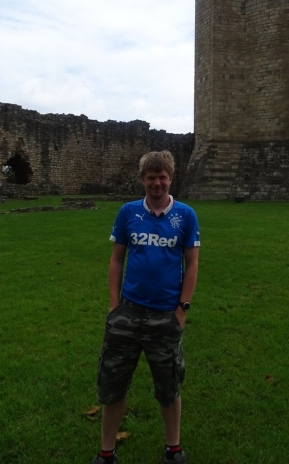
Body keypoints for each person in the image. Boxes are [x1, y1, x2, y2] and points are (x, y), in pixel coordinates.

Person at [92, 150, 200, 464]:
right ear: (143, 180)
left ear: (170, 178)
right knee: (113, 387)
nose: (157, 183)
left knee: (169, 388)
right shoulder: (128, 212)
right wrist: (114, 306)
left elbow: (191, 265)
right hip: (128, 313)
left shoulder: (185, 215)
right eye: (151, 178)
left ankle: (173, 448)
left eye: (162, 177)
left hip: (165, 316)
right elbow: (116, 259)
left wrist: (182, 310)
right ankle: (106, 452)